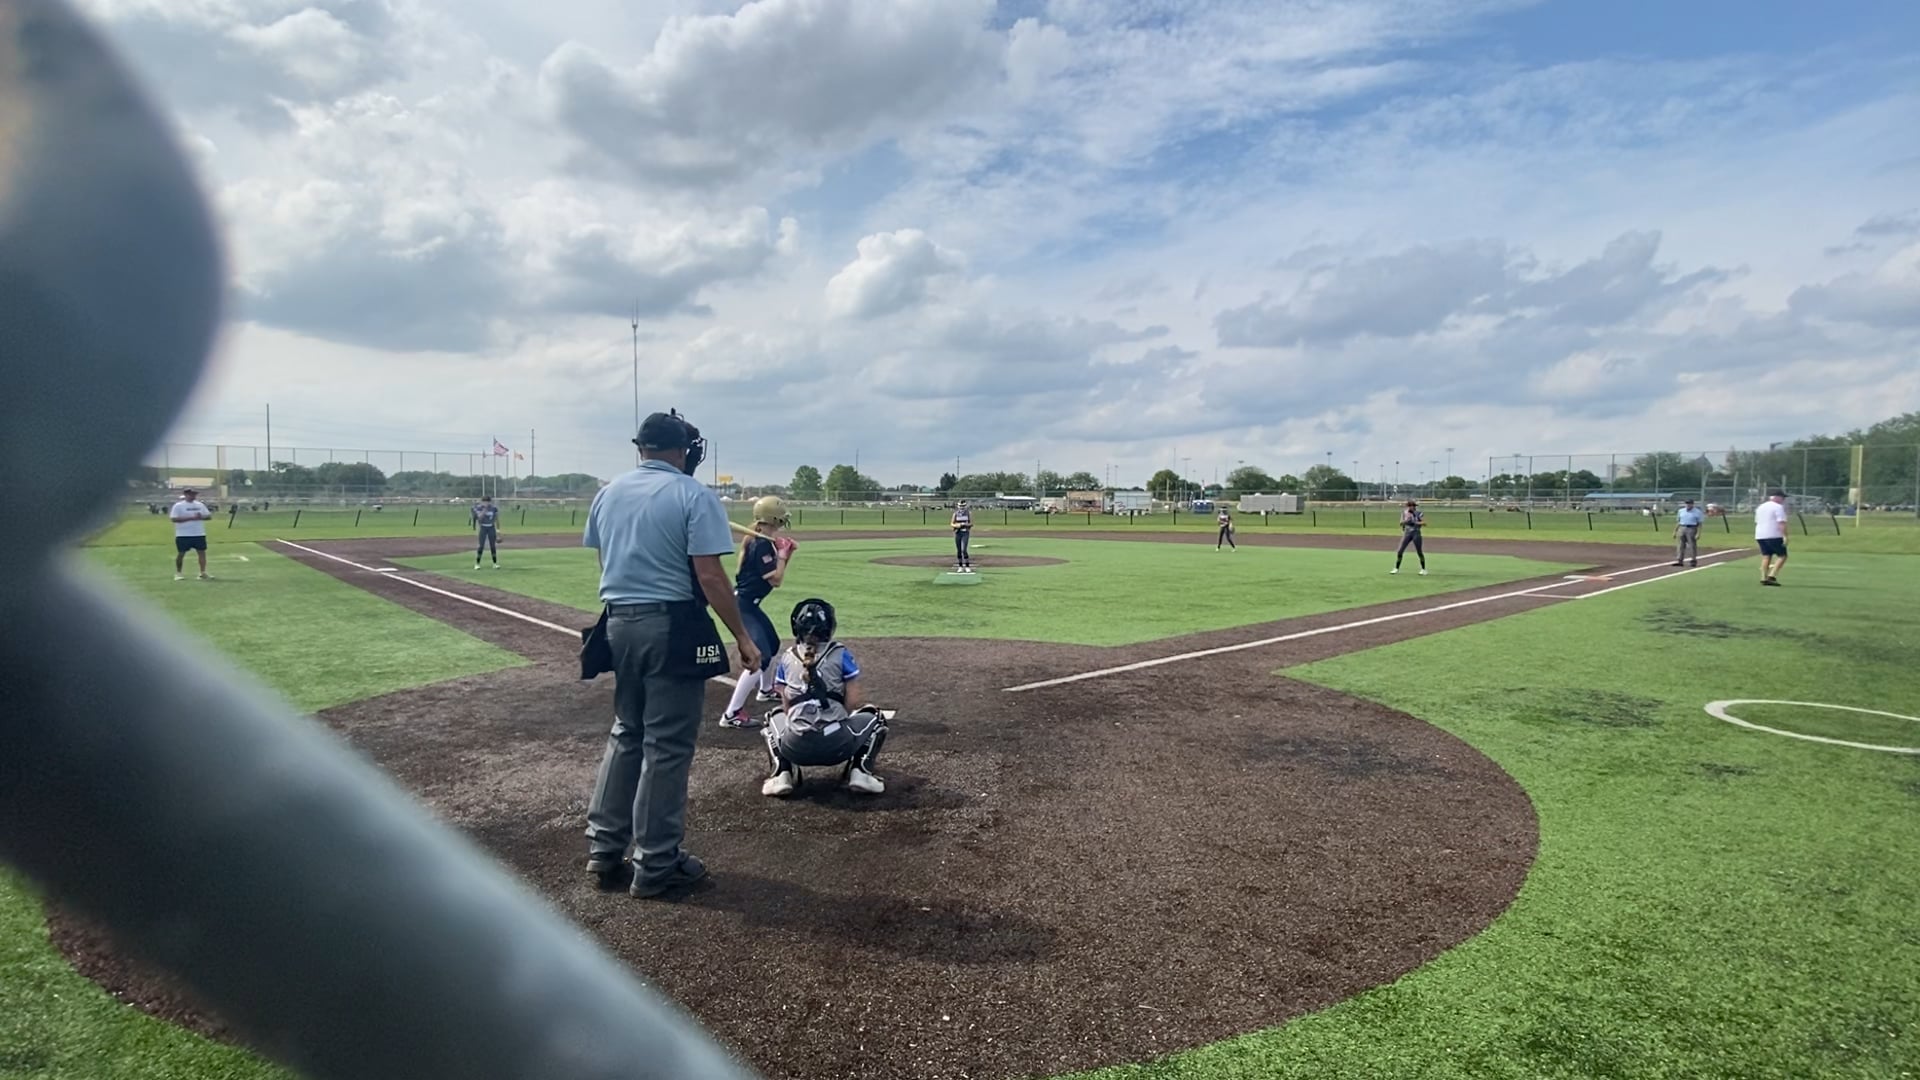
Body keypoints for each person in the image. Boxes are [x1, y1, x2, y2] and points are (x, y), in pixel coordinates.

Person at [581, 410, 760, 899]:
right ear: (682, 451)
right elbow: (710, 576)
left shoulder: (608, 493)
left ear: (639, 448)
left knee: (627, 731)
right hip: (669, 623)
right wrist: (743, 637)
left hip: (617, 622)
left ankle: (604, 848)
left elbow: (606, 561)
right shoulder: (692, 494)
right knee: (666, 744)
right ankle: (656, 863)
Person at [761, 598, 887, 797]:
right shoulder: (840, 653)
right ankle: (861, 772)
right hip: (838, 746)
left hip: (795, 747)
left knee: (772, 717)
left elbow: (786, 707)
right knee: (876, 717)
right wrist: (834, 718)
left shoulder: (787, 657)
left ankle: (781, 774)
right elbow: (853, 700)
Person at [718, 496, 794, 729]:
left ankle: (766, 689)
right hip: (743, 605)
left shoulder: (762, 540)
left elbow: (776, 573)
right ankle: (731, 714)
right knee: (760, 656)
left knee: (772, 644)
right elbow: (776, 580)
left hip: (749, 604)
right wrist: (783, 554)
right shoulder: (760, 543)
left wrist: (785, 553)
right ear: (775, 518)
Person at [169, 488, 213, 581]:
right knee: (181, 553)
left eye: (194, 494)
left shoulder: (200, 505)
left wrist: (201, 517)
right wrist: (191, 518)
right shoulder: (178, 506)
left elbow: (208, 516)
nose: (193, 496)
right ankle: (178, 573)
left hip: (199, 533)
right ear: (186, 495)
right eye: (191, 494)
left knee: (202, 553)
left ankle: (202, 573)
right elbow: (174, 519)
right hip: (183, 534)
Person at [1755, 488, 1790, 586]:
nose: (1783, 500)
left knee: (1766, 556)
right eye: (1782, 497)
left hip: (1760, 535)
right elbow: (1781, 522)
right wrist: (1785, 536)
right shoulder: (1778, 507)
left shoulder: (1760, 507)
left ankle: (1763, 577)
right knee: (1782, 556)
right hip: (1774, 535)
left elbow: (1757, 521)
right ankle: (1772, 575)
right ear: (1777, 497)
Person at [1391, 499, 1427, 575]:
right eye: (1410, 506)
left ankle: (1423, 569)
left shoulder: (1419, 513)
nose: (1412, 507)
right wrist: (1406, 521)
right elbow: (1401, 523)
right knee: (1400, 551)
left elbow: (1424, 523)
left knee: (1419, 551)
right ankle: (1396, 568)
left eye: (1413, 506)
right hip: (1407, 533)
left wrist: (1415, 522)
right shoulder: (1404, 513)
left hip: (1416, 533)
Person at [1672, 498, 1704, 567]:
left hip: (1692, 528)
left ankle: (1693, 560)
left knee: (1692, 545)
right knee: (1680, 545)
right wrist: (1675, 531)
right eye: (1687, 503)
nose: (1688, 505)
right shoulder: (1681, 511)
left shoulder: (1697, 512)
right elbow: (1678, 522)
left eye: (1689, 503)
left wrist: (1698, 533)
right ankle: (1680, 560)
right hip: (1682, 528)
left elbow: (1700, 524)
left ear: (1692, 504)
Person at [471, 495, 501, 569]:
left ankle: (495, 563)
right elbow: (479, 518)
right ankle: (477, 563)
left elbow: (496, 519)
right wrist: (484, 510)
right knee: (481, 546)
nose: (486, 503)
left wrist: (498, 532)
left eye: (487, 502)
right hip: (483, 527)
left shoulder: (494, 508)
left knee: (492, 546)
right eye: (484, 502)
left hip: (491, 527)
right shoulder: (479, 508)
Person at [950, 500, 974, 572]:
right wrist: (957, 525)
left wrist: (965, 524)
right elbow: (952, 524)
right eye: (960, 506)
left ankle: (967, 566)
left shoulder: (968, 513)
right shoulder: (955, 514)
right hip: (957, 533)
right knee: (959, 550)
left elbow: (971, 523)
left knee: (964, 550)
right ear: (958, 506)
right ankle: (960, 566)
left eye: (963, 506)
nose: (961, 507)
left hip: (965, 533)